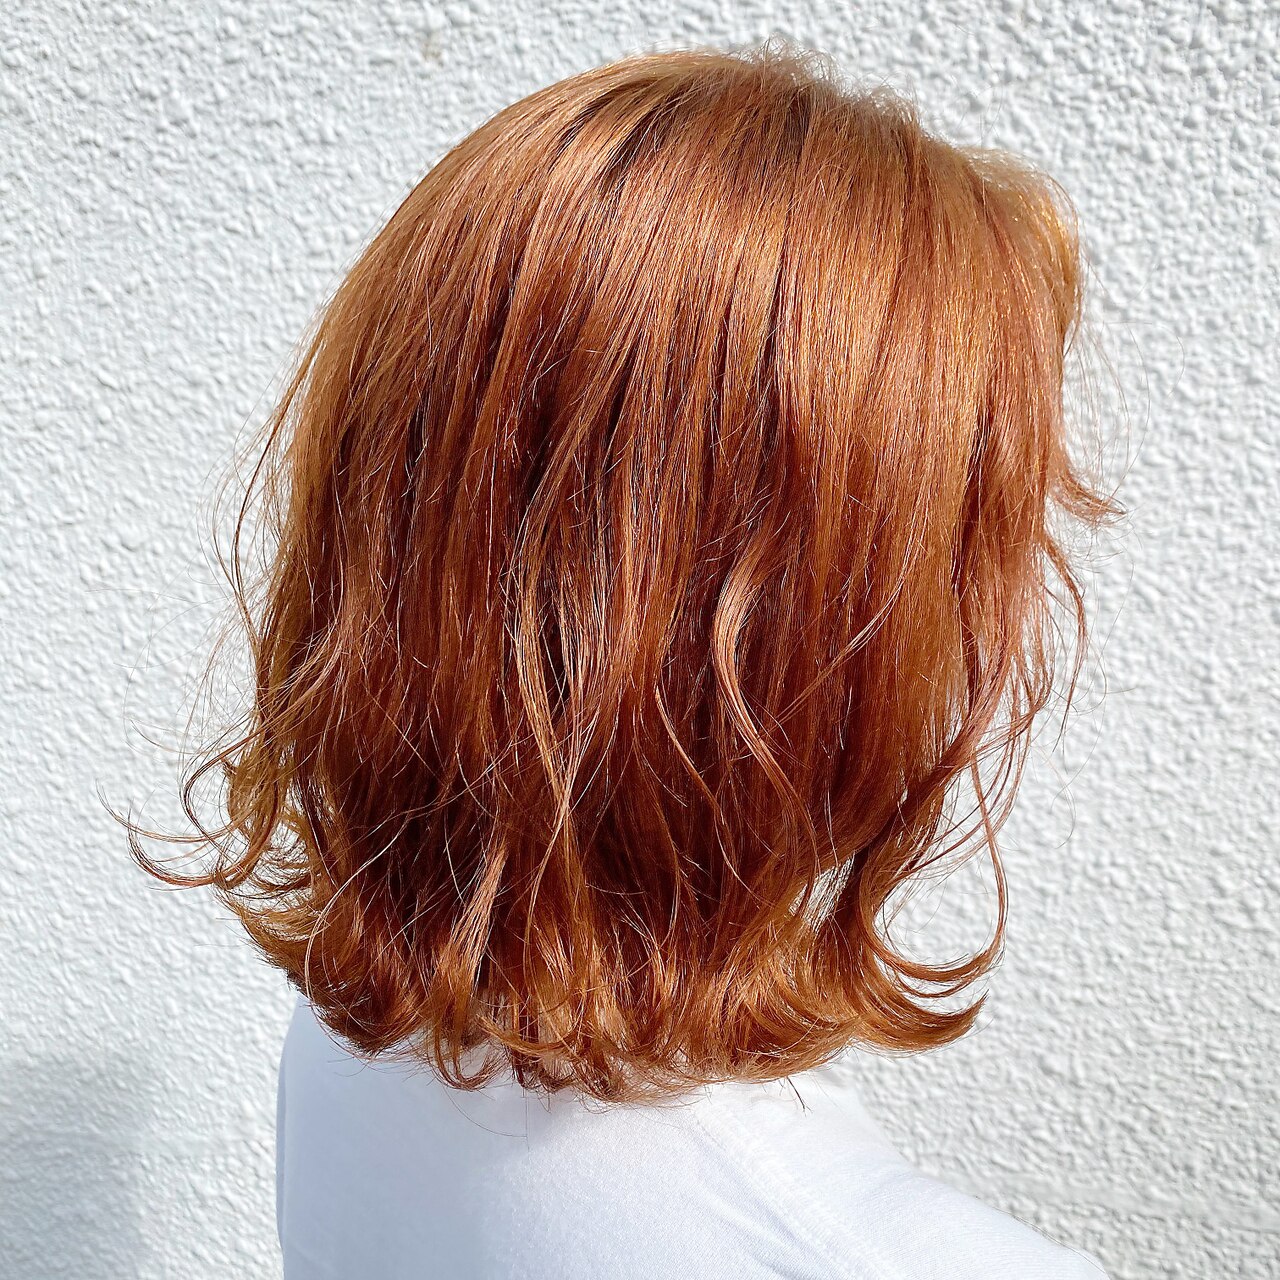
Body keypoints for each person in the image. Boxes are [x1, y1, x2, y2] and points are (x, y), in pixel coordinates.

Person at [126, 40, 1122, 1278]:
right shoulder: (880, 1254)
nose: (1014, 587)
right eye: (975, 523)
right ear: (810, 627)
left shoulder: (365, 1035)